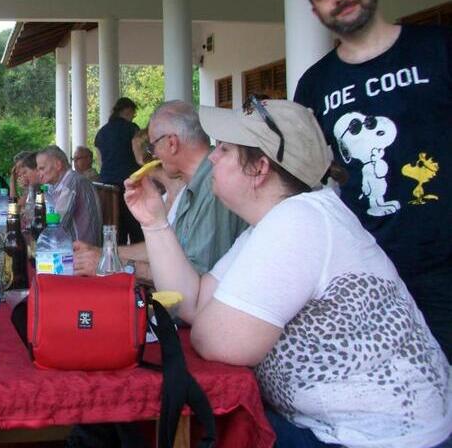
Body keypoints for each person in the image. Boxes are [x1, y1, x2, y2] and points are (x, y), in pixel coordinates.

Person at [124, 99, 451, 448]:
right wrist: (155, 222)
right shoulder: (270, 224)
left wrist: (210, 317)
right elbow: (190, 303)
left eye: (225, 149)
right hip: (330, 427)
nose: (213, 157)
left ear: (260, 168)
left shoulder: (300, 220)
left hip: (381, 438)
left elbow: (217, 342)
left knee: (156, 426)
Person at [294, 0, 452, 361]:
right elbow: (313, 176)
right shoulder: (314, 85)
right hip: (372, 268)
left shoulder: (438, 48)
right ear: (316, 12)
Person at [73, 101, 246, 278]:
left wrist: (114, 264)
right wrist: (104, 252)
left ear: (172, 143)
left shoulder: (214, 186)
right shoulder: (191, 186)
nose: (152, 155)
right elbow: (168, 249)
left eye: (152, 147)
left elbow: (195, 277)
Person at [94, 97, 143, 244]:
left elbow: (100, 161)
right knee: (136, 230)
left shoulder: (101, 132)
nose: (133, 117)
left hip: (108, 188)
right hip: (130, 184)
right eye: (133, 113)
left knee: (114, 230)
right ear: (127, 111)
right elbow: (139, 155)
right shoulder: (132, 129)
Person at [36, 145, 102, 246]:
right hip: (68, 248)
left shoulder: (72, 183)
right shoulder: (55, 185)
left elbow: (56, 225)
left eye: (42, 168)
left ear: (58, 165)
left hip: (82, 251)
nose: (39, 174)